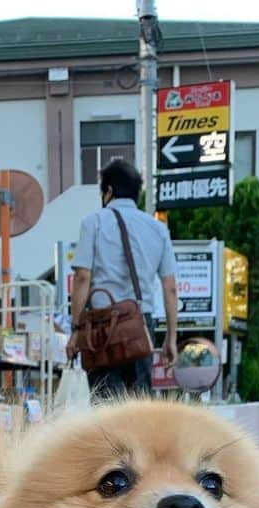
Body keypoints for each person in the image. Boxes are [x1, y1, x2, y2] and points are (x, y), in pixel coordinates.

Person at [66, 159, 178, 396]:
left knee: (108, 412)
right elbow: (170, 287)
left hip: (102, 327)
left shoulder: (93, 222)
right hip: (141, 325)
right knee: (138, 411)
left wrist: (76, 330)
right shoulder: (158, 229)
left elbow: (83, 277)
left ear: (109, 192)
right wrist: (171, 337)